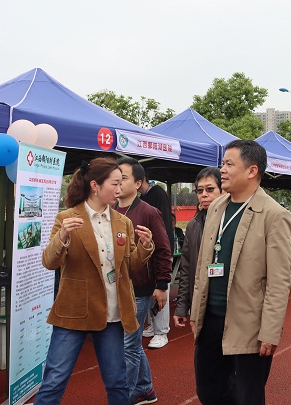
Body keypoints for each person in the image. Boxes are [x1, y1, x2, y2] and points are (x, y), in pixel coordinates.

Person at [34, 158, 155, 405]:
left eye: (121, 183)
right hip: (74, 311)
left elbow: (130, 265)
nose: (119, 189)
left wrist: (145, 246)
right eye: (115, 184)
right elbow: (49, 262)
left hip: (112, 313)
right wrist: (63, 236)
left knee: (117, 381)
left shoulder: (123, 222)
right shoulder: (67, 218)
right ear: (95, 186)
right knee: (54, 380)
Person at [190, 140, 291, 405]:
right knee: (208, 391)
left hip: (249, 324)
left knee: (248, 396)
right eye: (222, 163)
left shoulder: (274, 215)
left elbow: (279, 281)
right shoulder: (217, 207)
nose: (222, 170)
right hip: (210, 320)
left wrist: (270, 332)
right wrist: (195, 313)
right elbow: (203, 264)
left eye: (229, 164)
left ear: (251, 170)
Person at [116, 157, 172, 404]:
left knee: (128, 345)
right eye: (115, 178)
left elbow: (163, 250)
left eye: (123, 178)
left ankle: (125, 395)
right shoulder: (109, 210)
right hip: (115, 288)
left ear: (138, 183)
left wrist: (161, 285)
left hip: (139, 289)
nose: (117, 182)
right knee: (131, 344)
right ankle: (146, 389)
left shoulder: (149, 212)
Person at [173, 167, 222, 328]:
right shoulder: (193, 225)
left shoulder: (233, 222)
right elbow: (186, 268)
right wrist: (182, 307)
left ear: (223, 191)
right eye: (200, 191)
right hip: (201, 302)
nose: (204, 195)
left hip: (227, 303)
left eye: (210, 189)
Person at [139, 177, 173, 348]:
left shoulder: (158, 194)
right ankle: (154, 325)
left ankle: (162, 331)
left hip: (160, 250)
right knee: (151, 292)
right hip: (147, 251)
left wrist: (164, 249)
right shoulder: (141, 198)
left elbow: (164, 225)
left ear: (138, 181)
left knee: (161, 290)